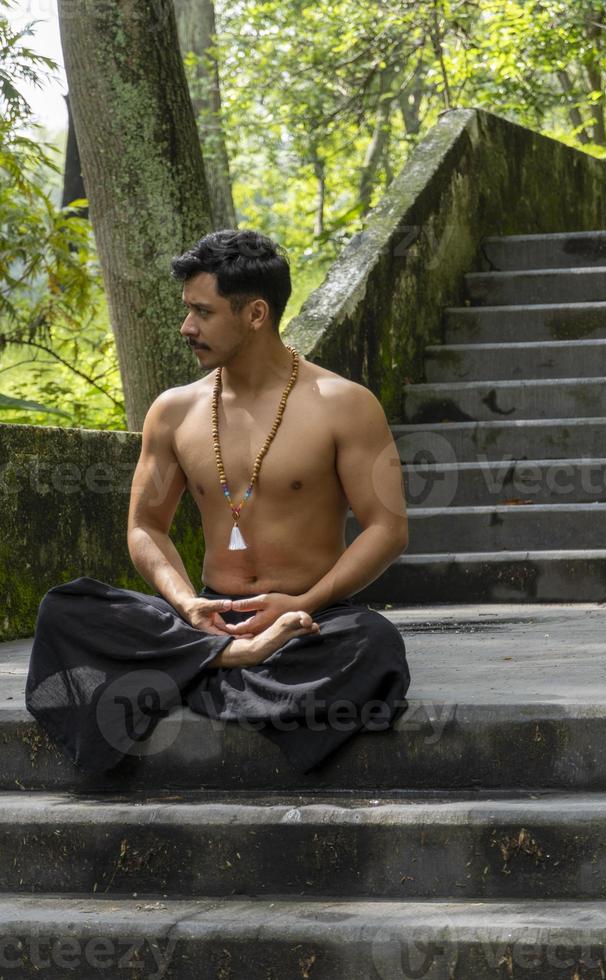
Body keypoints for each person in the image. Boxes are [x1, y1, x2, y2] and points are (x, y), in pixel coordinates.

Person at [25, 229, 411, 775]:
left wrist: (302, 603)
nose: (187, 327)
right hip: (205, 618)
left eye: (202, 312)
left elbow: (387, 529)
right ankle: (232, 661)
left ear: (256, 314)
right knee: (66, 611)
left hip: (309, 619)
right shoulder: (175, 410)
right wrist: (187, 607)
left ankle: (193, 673)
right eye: (187, 311)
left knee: (374, 644)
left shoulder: (343, 404)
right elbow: (145, 528)